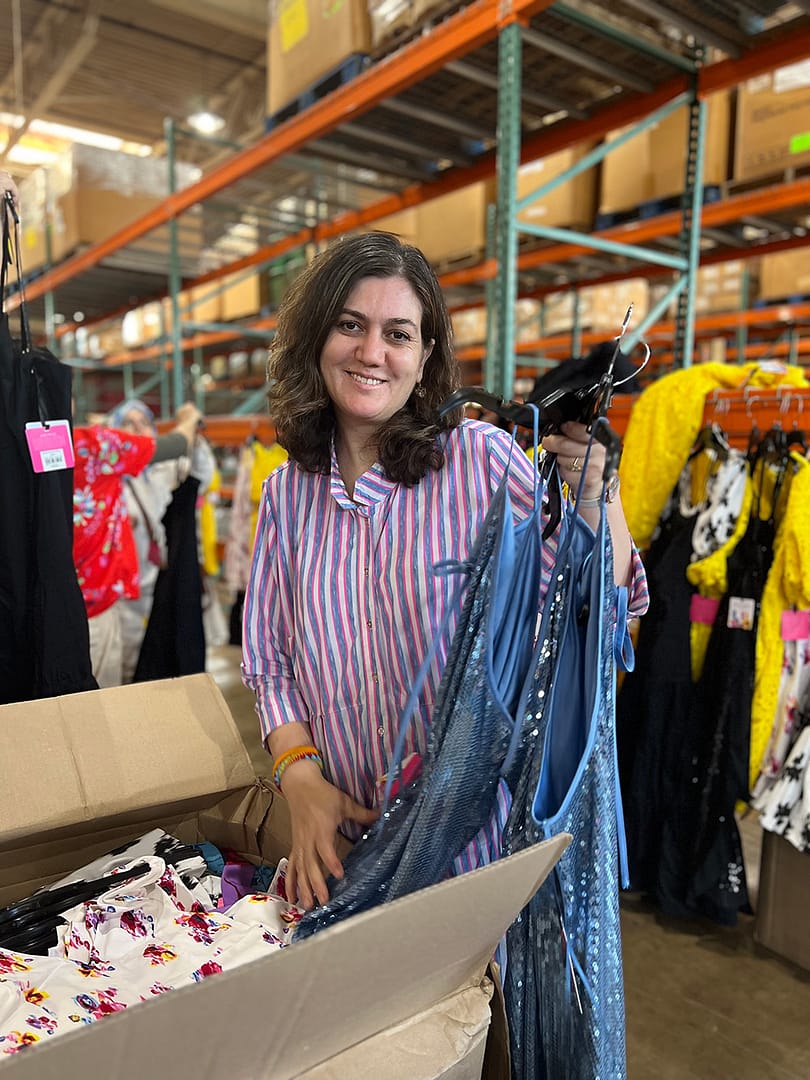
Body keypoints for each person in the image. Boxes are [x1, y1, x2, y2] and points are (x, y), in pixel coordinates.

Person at [241, 231, 648, 910]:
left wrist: (599, 497)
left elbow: (601, 612)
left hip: (468, 853)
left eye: (398, 333)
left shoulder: (480, 461)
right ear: (317, 337)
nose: (372, 353)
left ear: (425, 355)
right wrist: (300, 780)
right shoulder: (287, 495)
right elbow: (270, 665)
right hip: (338, 848)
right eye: (350, 325)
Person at [73, 401, 202, 688]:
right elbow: (177, 442)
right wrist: (190, 418)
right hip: (100, 598)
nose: (136, 429)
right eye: (128, 423)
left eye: (142, 421)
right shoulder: (95, 445)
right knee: (102, 690)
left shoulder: (28, 446)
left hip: (91, 591)